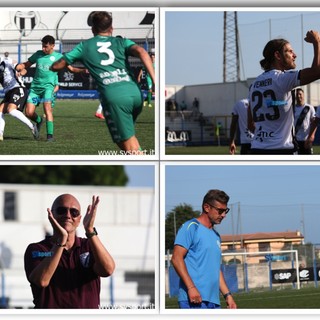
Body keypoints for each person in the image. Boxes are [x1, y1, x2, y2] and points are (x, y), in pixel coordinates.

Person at [51, 11, 155, 153]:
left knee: (129, 147)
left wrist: (53, 66)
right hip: (135, 94)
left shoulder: (84, 46)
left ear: (93, 29)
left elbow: (58, 65)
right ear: (111, 28)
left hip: (115, 98)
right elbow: (142, 52)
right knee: (127, 139)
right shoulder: (121, 41)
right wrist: (155, 80)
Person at [24, 194, 115, 309]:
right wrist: (61, 240)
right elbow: (42, 280)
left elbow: (108, 270)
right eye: (62, 210)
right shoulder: (38, 249)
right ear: (51, 214)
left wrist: (90, 230)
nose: (68, 215)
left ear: (79, 219)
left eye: (74, 212)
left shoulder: (88, 245)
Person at [248, 30, 320, 154]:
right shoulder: (282, 78)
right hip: (281, 149)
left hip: (257, 148)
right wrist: (316, 42)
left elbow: (250, 124)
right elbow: (317, 71)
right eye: (290, 51)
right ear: (277, 55)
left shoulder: (254, 84)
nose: (295, 55)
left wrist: (266, 136)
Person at [171, 189, 237, 309]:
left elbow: (216, 269)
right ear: (207, 207)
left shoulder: (216, 236)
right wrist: (191, 288)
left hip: (214, 302)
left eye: (225, 210)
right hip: (194, 300)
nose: (224, 215)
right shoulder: (191, 227)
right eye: (220, 211)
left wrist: (228, 296)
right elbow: (176, 258)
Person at [16, 35, 87, 142]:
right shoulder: (38, 54)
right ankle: (39, 121)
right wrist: (19, 66)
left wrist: (83, 70)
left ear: (53, 46)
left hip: (48, 88)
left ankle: (50, 136)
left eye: (46, 46)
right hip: (35, 89)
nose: (43, 48)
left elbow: (71, 69)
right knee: (29, 113)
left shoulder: (59, 57)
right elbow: (26, 64)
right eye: (43, 46)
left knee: (47, 108)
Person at [0, 60, 39, 141]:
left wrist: (21, 71)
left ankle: (32, 127)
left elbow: (22, 68)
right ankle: (0, 134)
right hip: (8, 92)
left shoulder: (7, 61)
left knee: (11, 110)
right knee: (0, 111)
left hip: (18, 88)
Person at [293, 88, 315, 154]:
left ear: (303, 95)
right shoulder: (292, 108)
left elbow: (314, 123)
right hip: (295, 140)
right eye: (297, 94)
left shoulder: (309, 107)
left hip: (306, 140)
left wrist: (311, 136)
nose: (298, 96)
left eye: (300, 94)